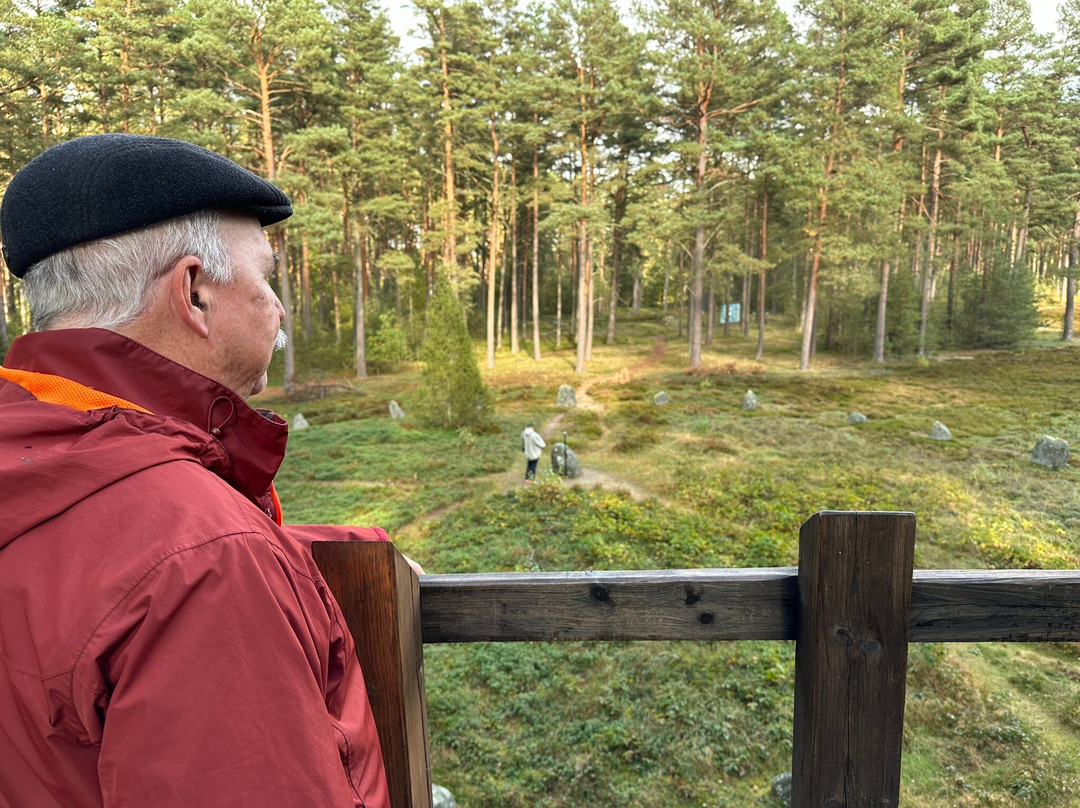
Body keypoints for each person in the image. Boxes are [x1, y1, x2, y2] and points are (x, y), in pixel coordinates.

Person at [0, 134, 396, 807]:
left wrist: (313, 555)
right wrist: (240, 554)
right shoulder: (204, 563)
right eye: (266, 277)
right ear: (194, 293)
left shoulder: (39, 468)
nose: (278, 309)